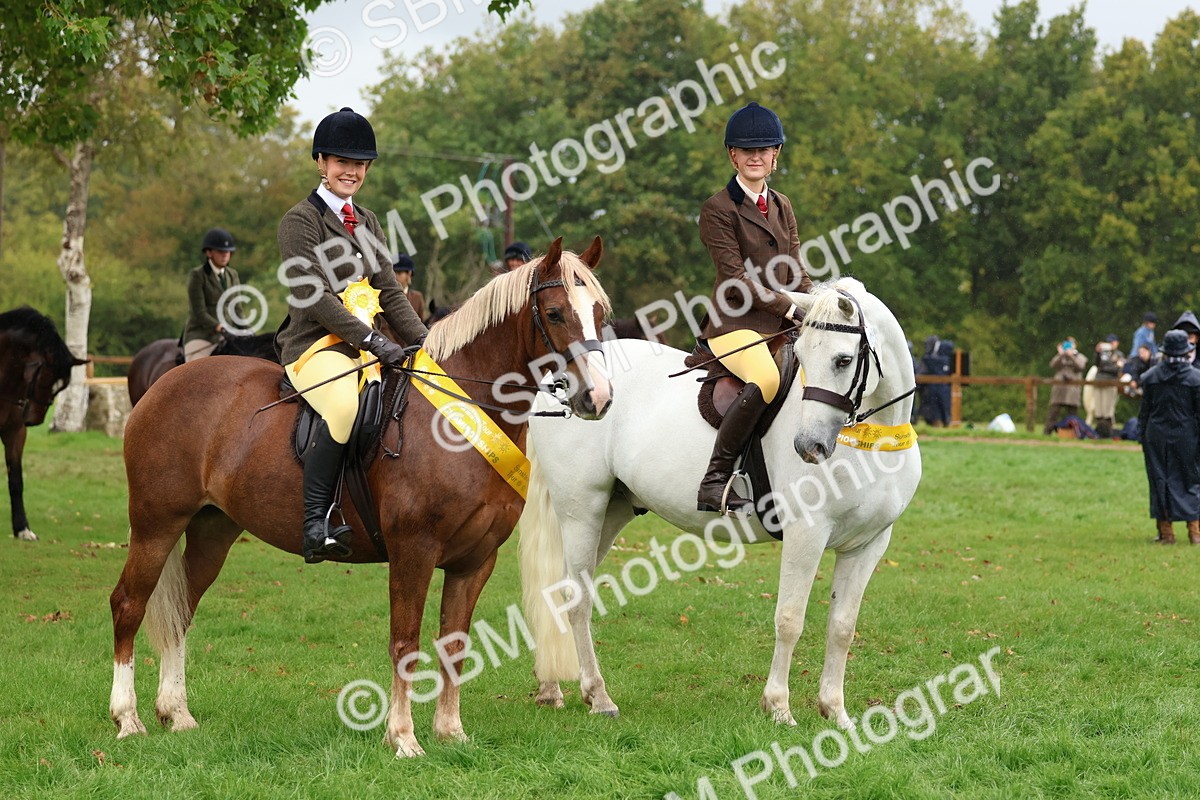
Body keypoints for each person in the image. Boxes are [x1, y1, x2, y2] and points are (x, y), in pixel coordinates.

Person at [274, 107, 428, 563]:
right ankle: (314, 524)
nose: (352, 172)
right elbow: (314, 296)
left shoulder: (369, 221)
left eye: (360, 164)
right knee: (343, 406)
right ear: (321, 162)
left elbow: (390, 293)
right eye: (343, 162)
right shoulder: (300, 221)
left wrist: (427, 343)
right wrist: (373, 341)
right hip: (314, 346)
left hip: (365, 351)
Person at [695, 101, 814, 515]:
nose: (755, 157)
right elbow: (736, 280)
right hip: (733, 323)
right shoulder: (717, 209)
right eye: (747, 151)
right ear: (733, 155)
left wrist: (819, 304)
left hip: (778, 324)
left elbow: (795, 270)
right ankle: (715, 480)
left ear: (775, 154)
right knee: (765, 377)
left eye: (763, 149)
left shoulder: (782, 205)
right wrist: (791, 310)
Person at [1137, 329, 1200, 545]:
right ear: (1186, 351)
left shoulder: (1151, 377)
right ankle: (1195, 533)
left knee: (1160, 480)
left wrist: (1142, 436)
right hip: (1187, 436)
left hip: (1157, 436)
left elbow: (1145, 412)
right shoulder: (1195, 379)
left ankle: (1166, 534)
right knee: (1190, 480)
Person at [183, 228, 239, 362]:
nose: (225, 255)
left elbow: (237, 308)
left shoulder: (232, 275)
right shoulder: (198, 275)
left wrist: (249, 331)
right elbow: (199, 312)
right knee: (197, 369)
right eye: (220, 251)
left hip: (228, 336)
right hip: (202, 336)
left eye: (228, 252)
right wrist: (219, 326)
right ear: (209, 252)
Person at [1044, 337, 1087, 434]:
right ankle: (1047, 432)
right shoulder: (1060, 356)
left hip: (1072, 390)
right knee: (1053, 413)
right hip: (1059, 389)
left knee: (1073, 414)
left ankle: (1074, 433)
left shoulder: (1080, 357)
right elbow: (1052, 365)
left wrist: (1071, 356)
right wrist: (1061, 355)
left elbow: (1080, 366)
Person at [1091, 334, 1125, 438]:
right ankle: (1099, 431)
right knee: (1099, 407)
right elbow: (1097, 365)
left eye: (1113, 342)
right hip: (1099, 381)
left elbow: (1117, 369)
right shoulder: (1103, 353)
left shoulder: (1119, 354)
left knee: (1107, 409)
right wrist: (1098, 352)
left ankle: (1107, 432)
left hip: (1110, 383)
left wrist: (1105, 367)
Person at [916, 335, 952, 426]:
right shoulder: (931, 357)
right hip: (934, 388)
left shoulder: (932, 357)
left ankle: (942, 422)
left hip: (937, 387)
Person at [392, 254, 426, 319]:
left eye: (399, 273)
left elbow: (422, 321)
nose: (395, 276)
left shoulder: (417, 297)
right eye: (393, 272)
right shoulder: (384, 296)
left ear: (409, 273)